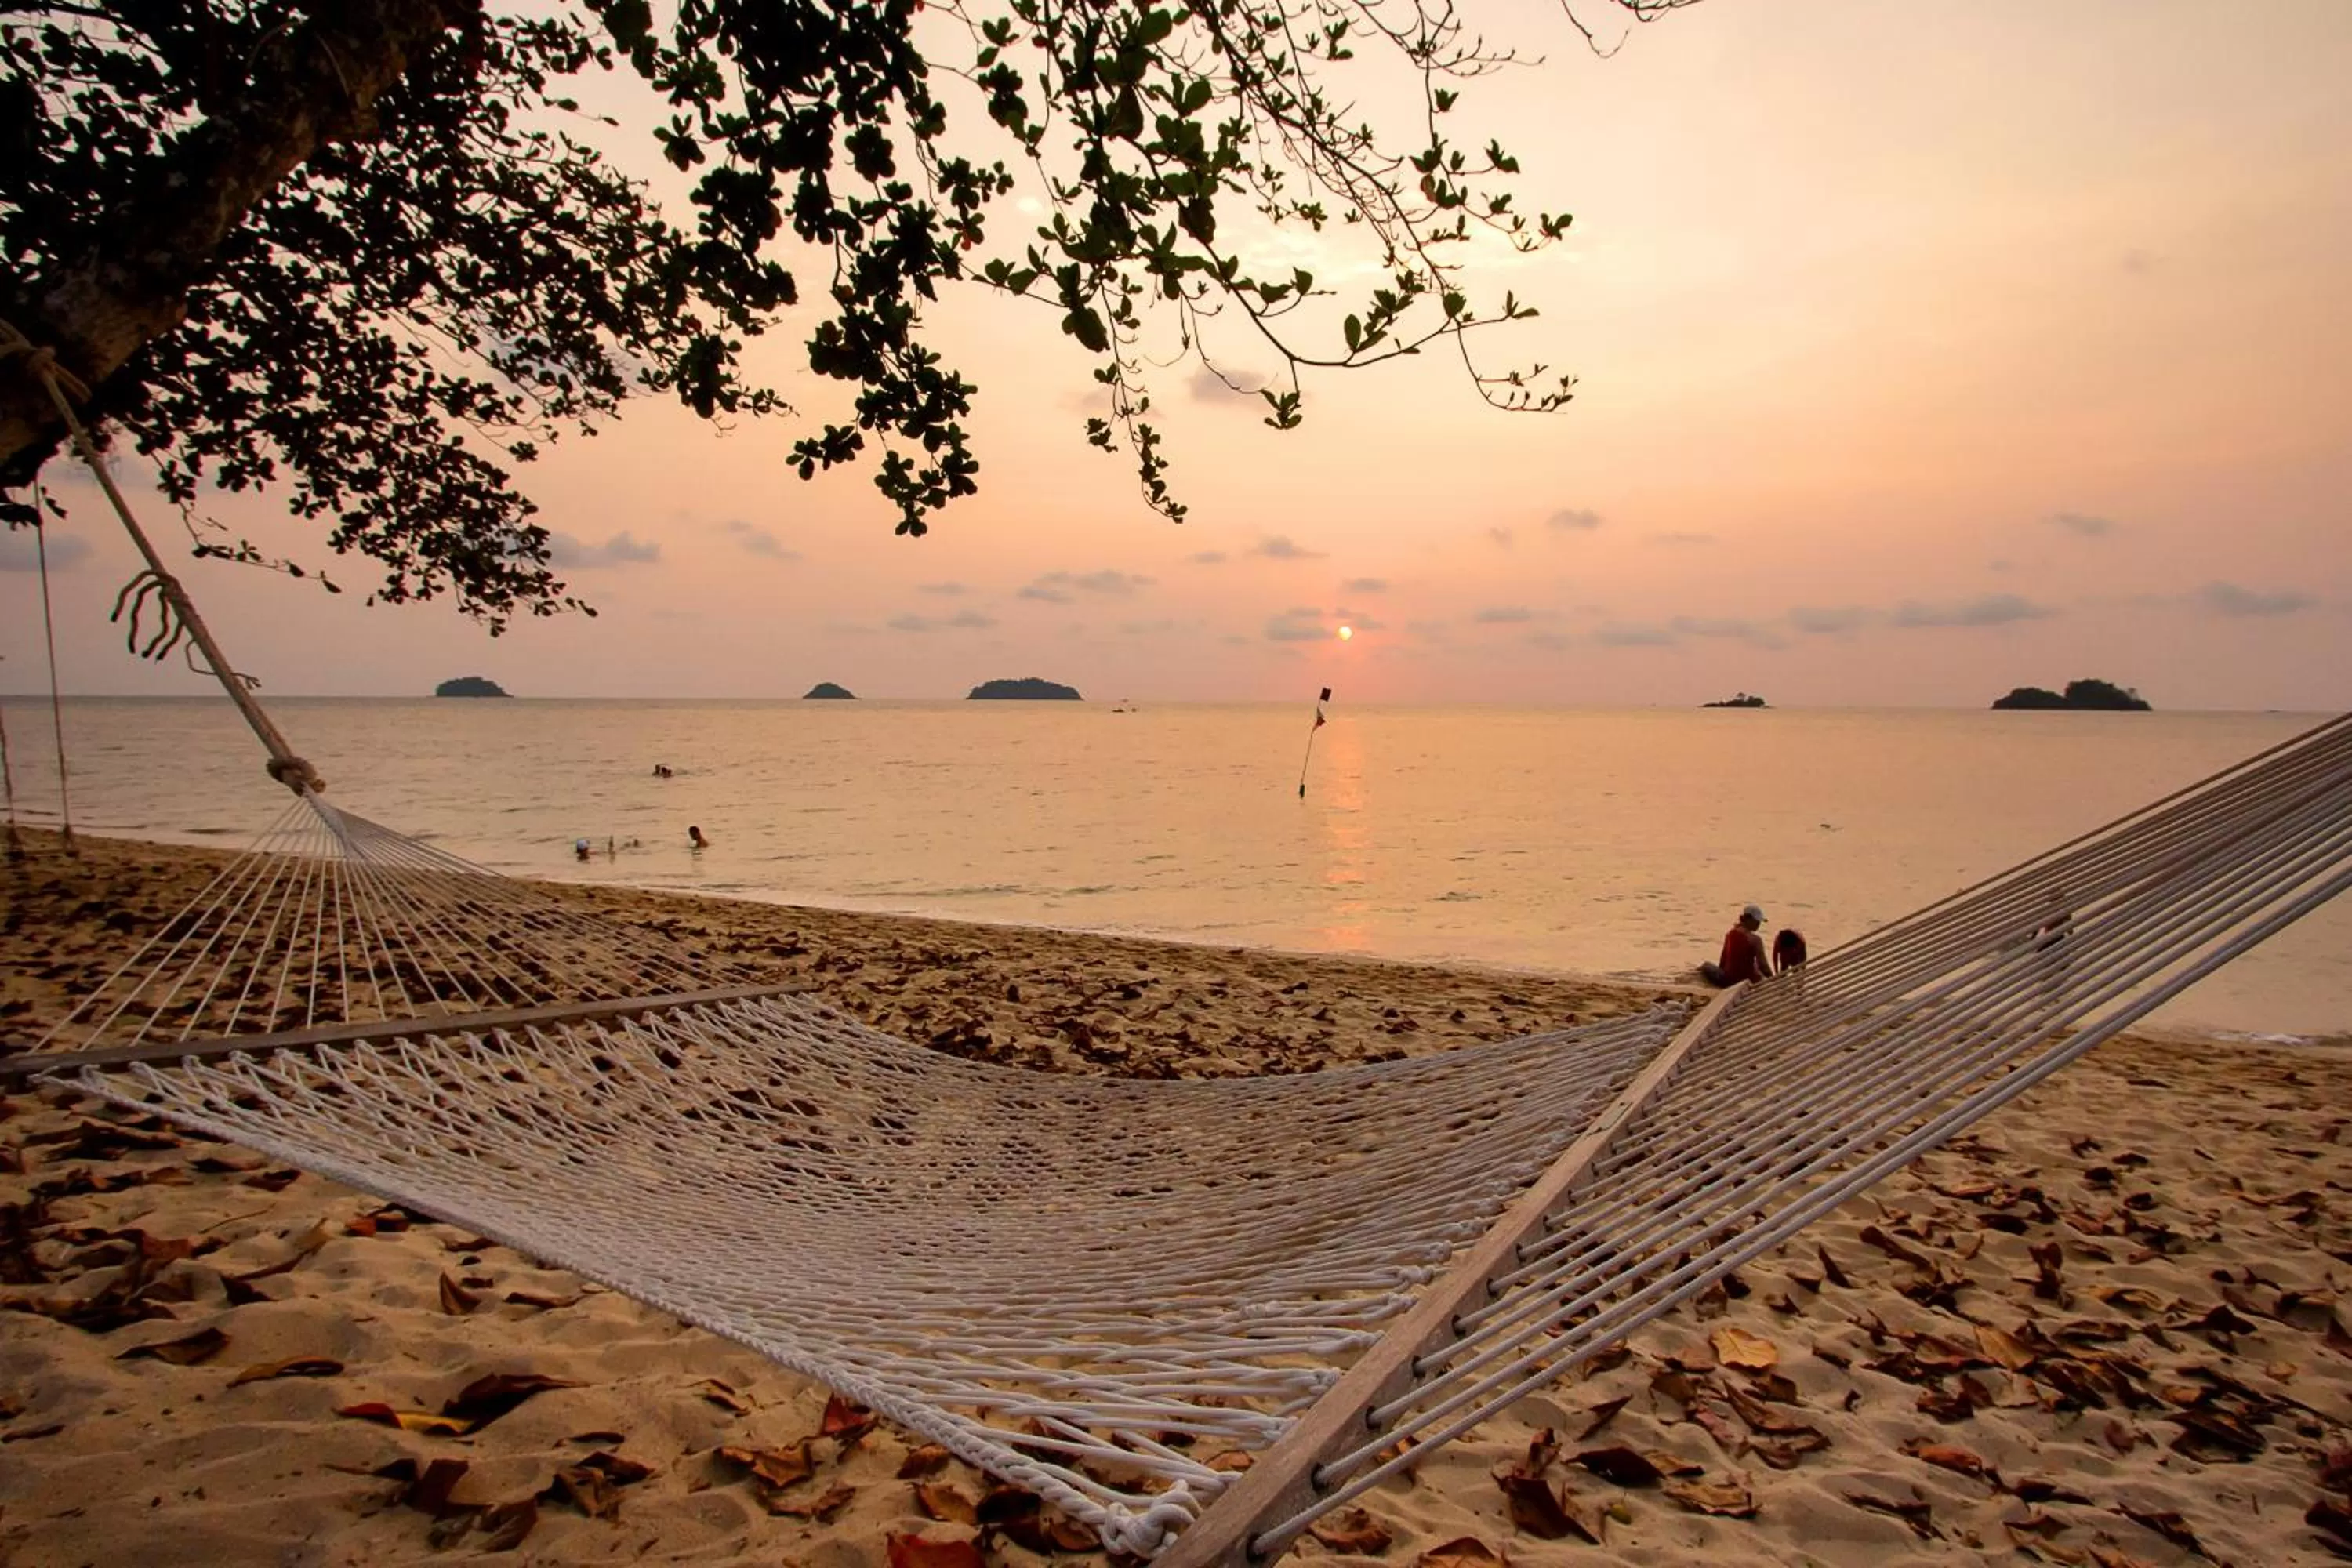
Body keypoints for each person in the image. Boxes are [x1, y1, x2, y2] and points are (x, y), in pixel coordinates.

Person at [1700, 904, 1771, 987]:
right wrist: (1773, 978)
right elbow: (1763, 966)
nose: (1759, 924)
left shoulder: (1730, 934)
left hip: (1729, 980)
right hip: (1746, 981)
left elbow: (1723, 961)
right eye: (1757, 921)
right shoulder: (1755, 940)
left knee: (1706, 965)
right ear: (1748, 919)